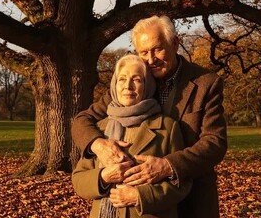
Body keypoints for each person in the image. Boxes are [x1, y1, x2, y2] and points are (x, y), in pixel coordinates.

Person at [72, 15, 227, 217]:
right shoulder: (130, 85)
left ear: (175, 43)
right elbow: (82, 120)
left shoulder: (206, 83)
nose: (151, 59)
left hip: (192, 199)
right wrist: (99, 145)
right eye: (144, 52)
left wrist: (168, 166)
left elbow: (215, 142)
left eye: (158, 49)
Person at [72, 54, 191, 218]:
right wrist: (104, 177)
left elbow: (181, 183)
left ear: (148, 85)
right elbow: (78, 181)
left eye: (136, 79)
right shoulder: (100, 129)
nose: (128, 86)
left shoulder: (167, 127)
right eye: (122, 79)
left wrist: (141, 196)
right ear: (115, 84)